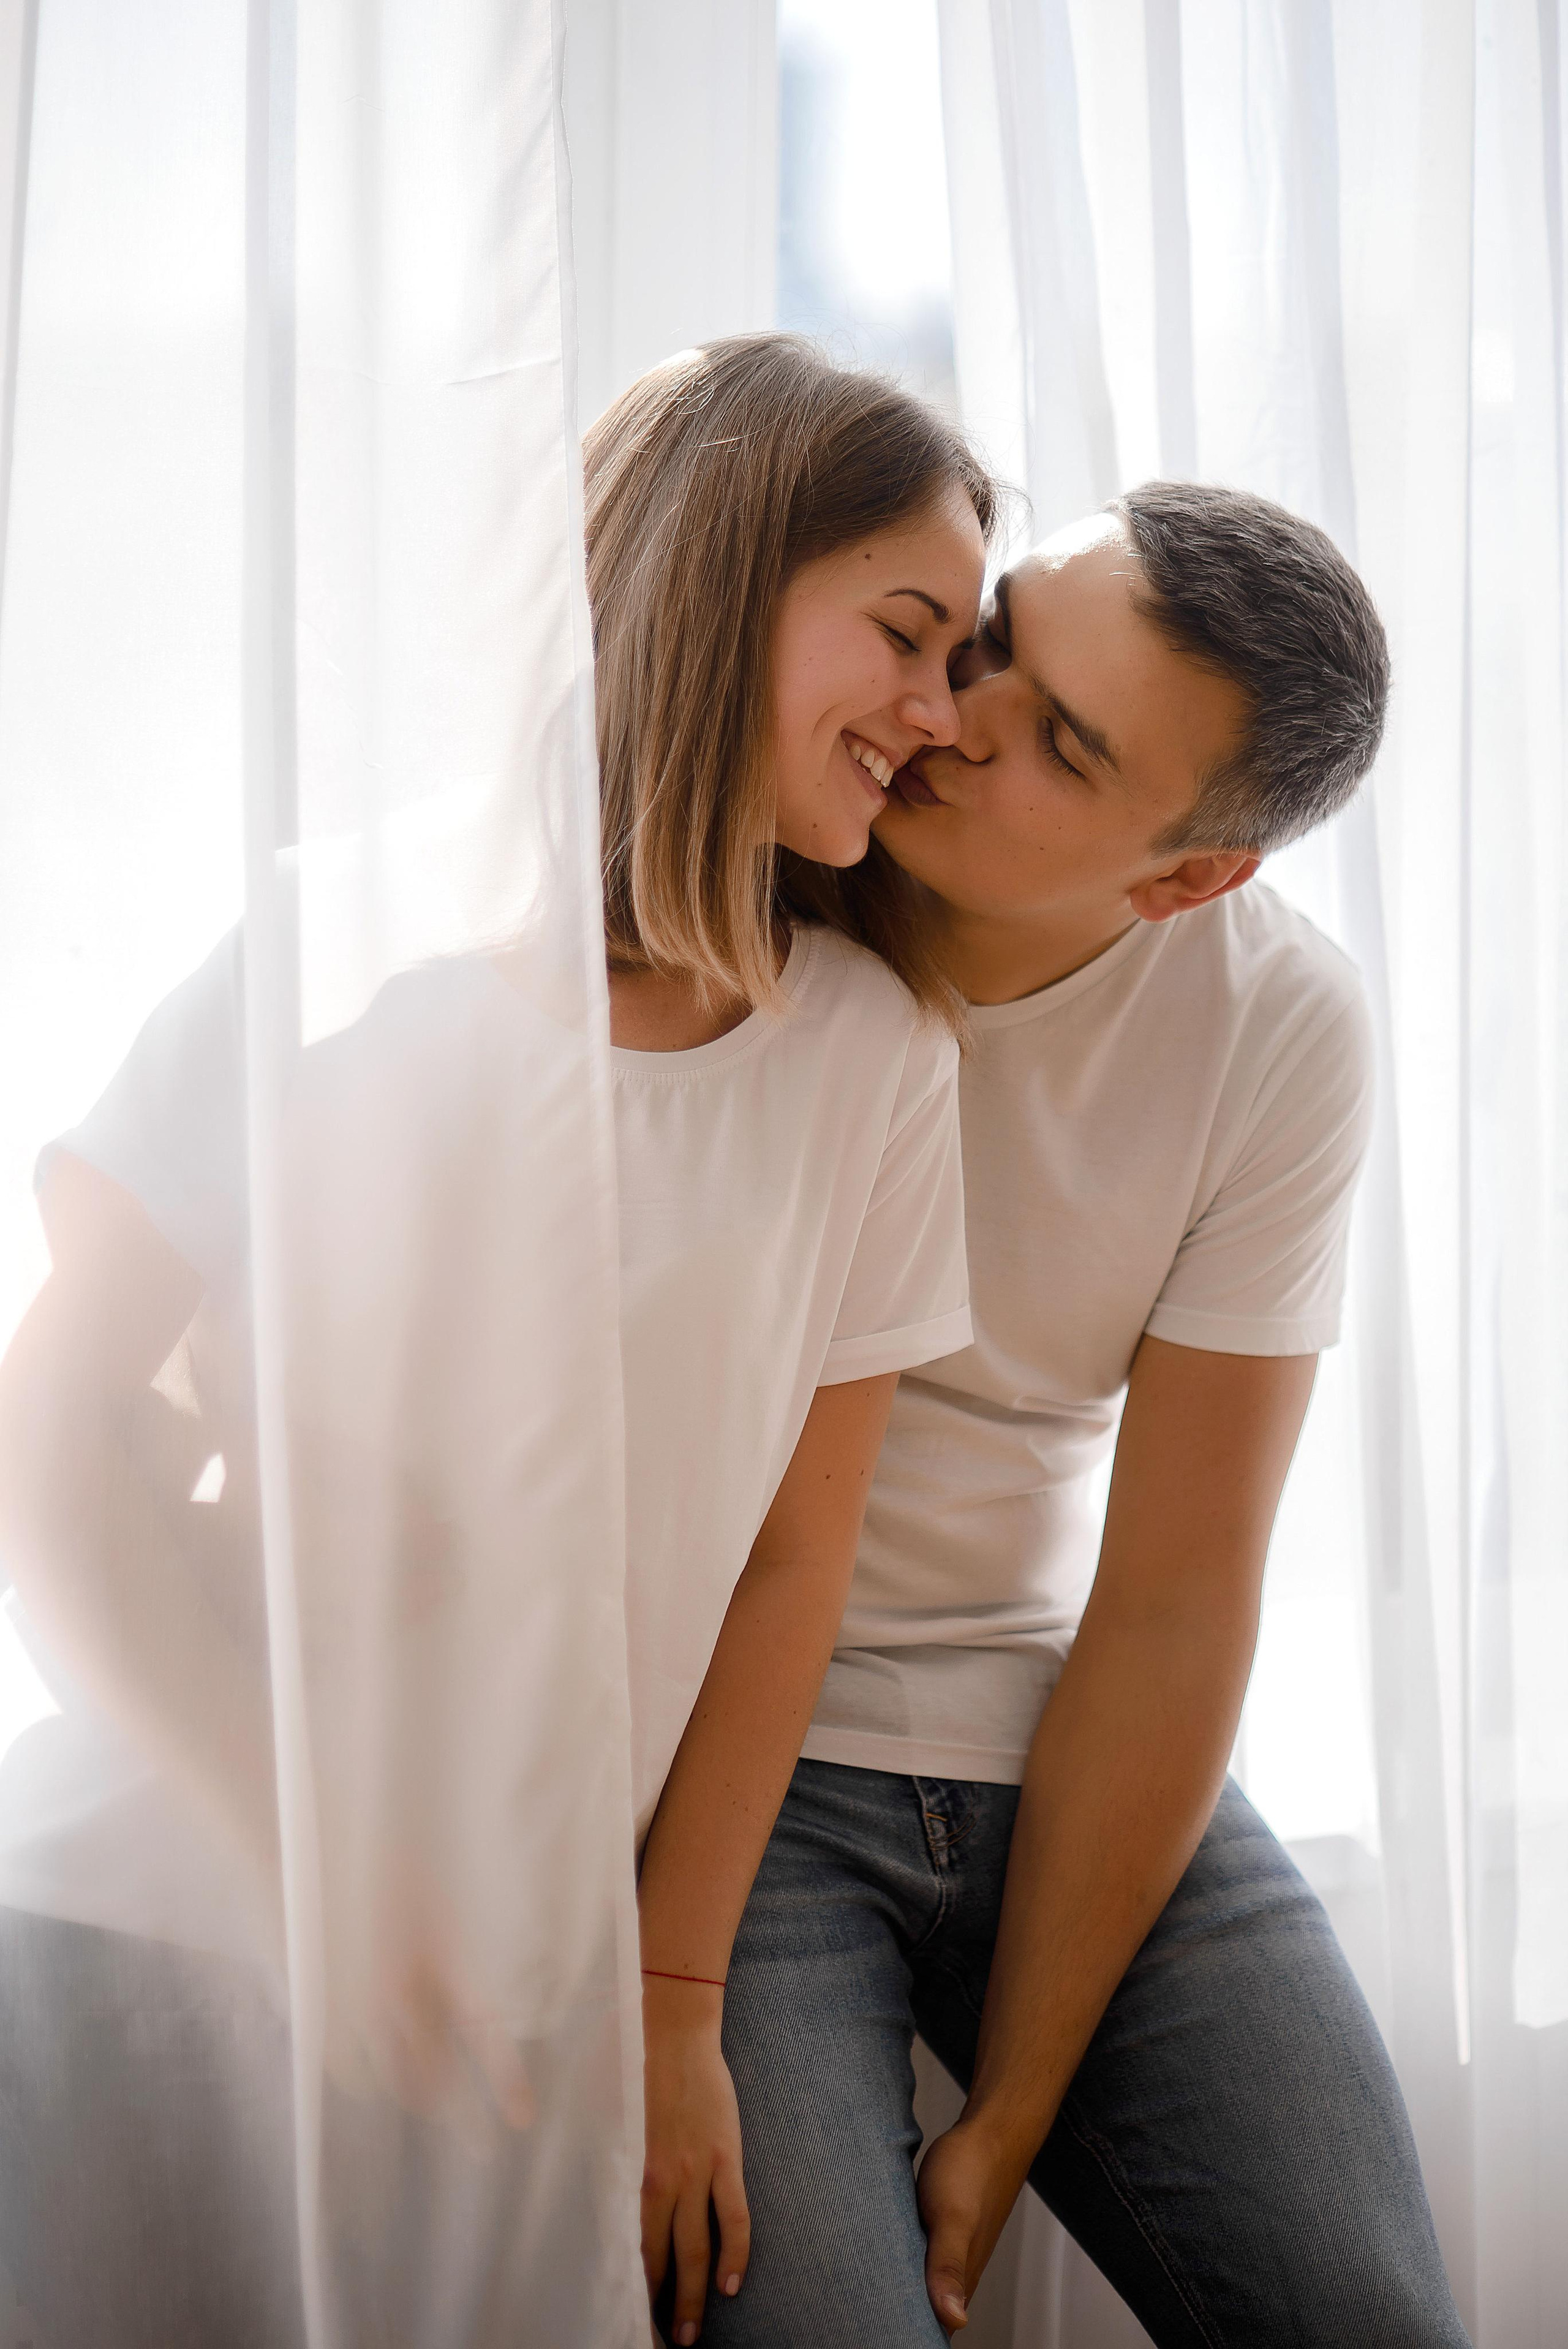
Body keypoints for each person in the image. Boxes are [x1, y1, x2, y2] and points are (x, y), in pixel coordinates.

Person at [0, 336, 994, 2346]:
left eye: (963, 654)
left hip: (510, 2003)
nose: (934, 709)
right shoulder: (328, 937)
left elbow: (792, 1568)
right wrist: (314, 1869)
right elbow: (48, 1428)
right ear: (720, 573)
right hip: (128, 1914)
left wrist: (677, 2001)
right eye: (905, 631)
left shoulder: (877, 1066)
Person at [702, 486, 1474, 2348]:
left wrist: (1018, 2108)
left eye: (1062, 738)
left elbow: (1181, 1594)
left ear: (1187, 876)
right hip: (741, 1768)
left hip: (1062, 1737)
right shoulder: (756, 877)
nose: (951, 711)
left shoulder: (1280, 1030)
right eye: (998, 636)